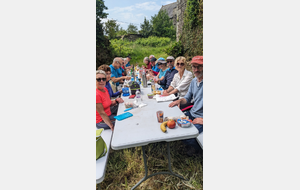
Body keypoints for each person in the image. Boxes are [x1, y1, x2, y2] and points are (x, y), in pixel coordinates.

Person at [169, 56, 203, 155]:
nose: (196, 70)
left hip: (201, 118)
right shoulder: (194, 81)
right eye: (194, 67)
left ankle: (198, 151)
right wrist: (179, 101)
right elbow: (187, 98)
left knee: (187, 136)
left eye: (199, 67)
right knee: (175, 125)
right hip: (192, 113)